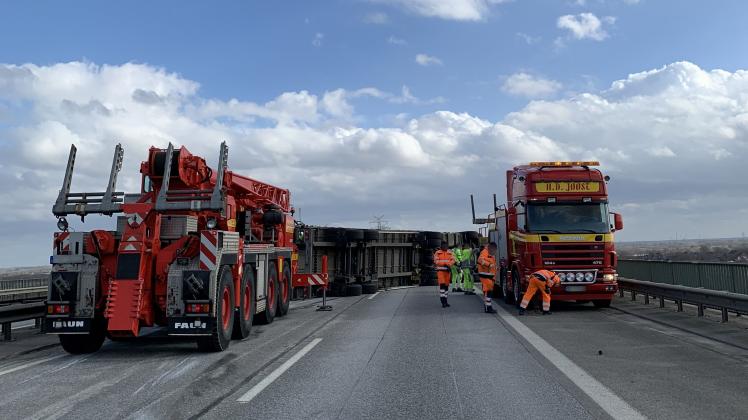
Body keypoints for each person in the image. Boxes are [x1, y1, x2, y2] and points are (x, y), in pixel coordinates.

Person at [477, 242, 498, 313]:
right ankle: (488, 308)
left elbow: (492, 264)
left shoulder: (489, 252)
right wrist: (488, 265)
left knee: (489, 292)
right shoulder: (485, 252)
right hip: (485, 275)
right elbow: (480, 260)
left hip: (489, 276)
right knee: (487, 292)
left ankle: (488, 307)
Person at [434, 241, 456, 308]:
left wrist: (449, 264)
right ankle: (443, 301)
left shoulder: (450, 252)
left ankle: (445, 300)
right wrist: (445, 263)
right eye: (443, 246)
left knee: (446, 286)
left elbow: (453, 260)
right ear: (441, 246)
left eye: (446, 245)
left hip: (447, 272)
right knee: (442, 286)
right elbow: (436, 261)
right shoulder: (437, 253)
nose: (445, 247)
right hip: (440, 271)